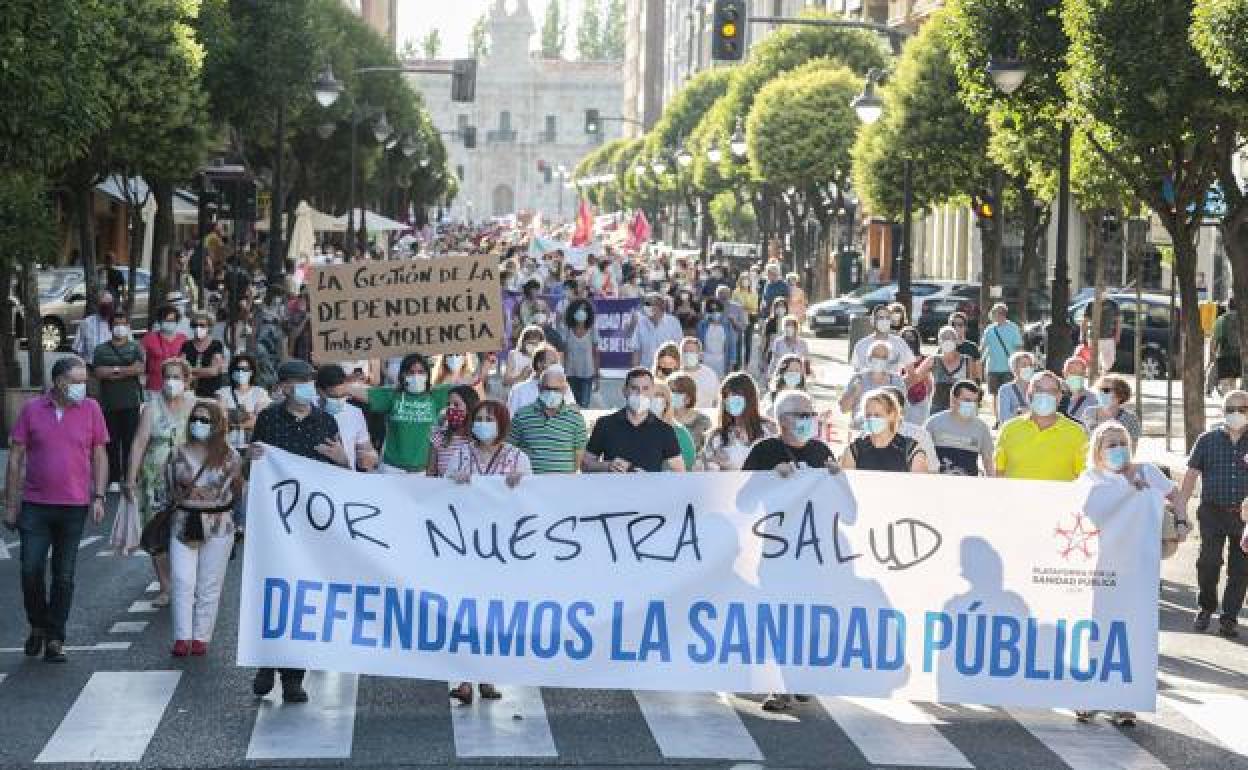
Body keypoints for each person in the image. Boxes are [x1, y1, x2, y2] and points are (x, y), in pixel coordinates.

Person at [248, 359, 349, 702]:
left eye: (310, 380)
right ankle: (265, 663)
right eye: (300, 381)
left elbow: (342, 478)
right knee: (273, 593)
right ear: (285, 387)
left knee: (303, 597)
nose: (307, 386)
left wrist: (342, 460)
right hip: (276, 523)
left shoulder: (326, 420)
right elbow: (257, 468)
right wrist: (253, 457)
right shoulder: (268, 419)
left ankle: (293, 676)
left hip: (313, 526)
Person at [1071, 420, 1180, 727]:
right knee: (1097, 633)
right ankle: (1089, 699)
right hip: (1100, 571)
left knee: (1133, 633)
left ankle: (1125, 701)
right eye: (1111, 444)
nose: (1119, 449)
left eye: (1123, 443)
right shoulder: (1089, 479)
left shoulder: (1147, 472)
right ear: (1098, 450)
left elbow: (1176, 496)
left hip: (1138, 572)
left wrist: (1180, 518)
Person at [3, 356, 109, 663]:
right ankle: (38, 623)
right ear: (58, 382)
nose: (81, 387)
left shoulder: (92, 409)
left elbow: (99, 453)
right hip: (35, 505)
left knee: (64, 575)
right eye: (76, 381)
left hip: (74, 505)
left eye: (84, 381)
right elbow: (16, 457)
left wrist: (99, 496)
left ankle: (55, 637)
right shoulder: (32, 410)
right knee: (29, 569)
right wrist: (11, 504)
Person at [743, 389, 840, 711]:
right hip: (775, 552)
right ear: (782, 420)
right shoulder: (764, 451)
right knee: (778, 620)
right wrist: (769, 479)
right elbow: (740, 500)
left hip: (812, 554)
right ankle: (779, 687)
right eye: (801, 414)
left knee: (807, 621)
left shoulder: (821, 451)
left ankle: (799, 678)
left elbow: (845, 506)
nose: (807, 420)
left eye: (810, 414)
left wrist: (838, 479)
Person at [446, 399, 530, 705]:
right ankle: (465, 679)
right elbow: (440, 495)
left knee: (493, 614)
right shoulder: (461, 454)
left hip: (503, 549)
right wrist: (453, 483)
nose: (483, 423)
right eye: (479, 418)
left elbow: (534, 502)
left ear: (502, 423)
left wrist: (522, 485)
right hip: (465, 545)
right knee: (465, 612)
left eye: (490, 418)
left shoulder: (517, 458)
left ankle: (488, 676)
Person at [167, 400, 243, 657]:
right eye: (195, 419)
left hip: (220, 524)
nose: (198, 424)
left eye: (205, 420)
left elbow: (237, 492)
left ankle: (200, 637)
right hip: (184, 521)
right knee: (181, 579)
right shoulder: (177, 452)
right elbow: (168, 488)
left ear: (217, 425)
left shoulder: (231, 456)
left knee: (210, 583)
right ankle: (181, 636)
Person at [1176, 390, 1248, 637]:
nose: (1237, 414)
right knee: (1208, 563)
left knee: (1240, 569)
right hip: (1212, 512)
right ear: (1223, 412)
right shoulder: (1207, 440)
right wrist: (1180, 509)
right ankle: (1206, 608)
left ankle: (1229, 617)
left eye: (1243, 409)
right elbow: (1191, 476)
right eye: (1231, 409)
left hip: (1245, 517)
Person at [126, 358, 197, 605]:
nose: (171, 382)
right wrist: (130, 479)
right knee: (157, 531)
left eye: (177, 377)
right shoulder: (151, 408)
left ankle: (187, 584)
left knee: (188, 530)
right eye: (167, 376)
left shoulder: (196, 406)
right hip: (154, 478)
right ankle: (166, 587)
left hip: (189, 479)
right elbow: (139, 443)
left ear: (187, 381)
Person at [358, 353, 480, 474]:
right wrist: (343, 388)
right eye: (411, 372)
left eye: (421, 372)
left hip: (421, 471)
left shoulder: (435, 395)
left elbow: (470, 382)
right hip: (392, 468)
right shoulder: (392, 395)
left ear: (427, 375)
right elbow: (366, 394)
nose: (416, 376)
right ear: (403, 375)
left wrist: (487, 363)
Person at [583, 367, 685, 473]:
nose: (640, 394)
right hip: (613, 488)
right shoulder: (605, 424)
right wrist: (607, 466)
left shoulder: (665, 430)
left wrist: (653, 478)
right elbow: (585, 465)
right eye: (634, 388)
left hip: (650, 489)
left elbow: (679, 471)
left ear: (652, 391)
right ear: (625, 391)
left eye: (645, 388)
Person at [994, 370, 1088, 481]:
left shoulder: (1076, 432)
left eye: (1051, 391)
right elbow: (998, 472)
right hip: (1016, 497)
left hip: (1059, 498)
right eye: (1039, 389)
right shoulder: (1009, 428)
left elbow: (1083, 477)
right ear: (1029, 394)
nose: (1045, 395)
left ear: (1059, 397)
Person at [92, 310, 144, 491]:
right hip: (109, 404)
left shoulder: (135, 347)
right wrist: (124, 370)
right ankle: (113, 478)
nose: (120, 328)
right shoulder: (100, 349)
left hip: (131, 403)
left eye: (123, 324)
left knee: (130, 441)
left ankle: (130, 476)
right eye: (116, 325)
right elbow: (98, 372)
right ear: (110, 327)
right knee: (111, 442)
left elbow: (138, 369)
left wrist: (113, 371)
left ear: (128, 326)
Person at [508, 365, 589, 474]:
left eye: (556, 389)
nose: (551, 393)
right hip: (529, 485)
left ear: (564, 390)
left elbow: (579, 455)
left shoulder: (575, 418)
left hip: (561, 486)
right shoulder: (522, 415)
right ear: (539, 388)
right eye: (547, 388)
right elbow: (510, 449)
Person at [701, 373, 777, 471]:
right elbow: (708, 472)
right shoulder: (717, 437)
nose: (730, 400)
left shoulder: (770, 430)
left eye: (736, 396)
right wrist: (716, 464)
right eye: (726, 397)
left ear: (750, 398)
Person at [839, 389, 928, 473]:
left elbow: (919, 486)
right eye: (868, 415)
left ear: (892, 415)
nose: (871, 419)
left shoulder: (910, 450)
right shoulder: (854, 450)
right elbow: (845, 486)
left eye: (877, 415)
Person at [925, 380, 996, 476]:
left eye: (975, 401)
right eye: (967, 400)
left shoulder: (982, 428)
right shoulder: (933, 424)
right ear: (953, 399)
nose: (972, 404)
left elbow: (988, 461)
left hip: (969, 487)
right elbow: (922, 458)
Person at [317, 364, 378, 472]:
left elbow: (365, 447)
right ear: (320, 391)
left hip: (346, 477)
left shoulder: (355, 413)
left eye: (343, 396)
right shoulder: (307, 411)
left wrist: (370, 457)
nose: (339, 401)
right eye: (334, 397)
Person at [840, 341, 906, 427]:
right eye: (876, 356)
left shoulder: (896, 381)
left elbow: (902, 412)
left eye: (884, 357)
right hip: (861, 431)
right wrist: (854, 393)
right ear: (869, 358)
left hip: (887, 432)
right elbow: (844, 409)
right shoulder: (858, 378)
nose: (879, 360)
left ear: (889, 360)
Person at [427, 385, 480, 477]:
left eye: (456, 404)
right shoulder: (439, 435)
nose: (451, 408)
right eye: (448, 404)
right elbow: (431, 472)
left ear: (469, 407)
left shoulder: (480, 438)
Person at [507, 344, 575, 415]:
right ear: (539, 364)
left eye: (557, 363)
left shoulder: (564, 388)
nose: (557, 366)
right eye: (553, 363)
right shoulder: (519, 391)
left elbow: (573, 412)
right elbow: (510, 419)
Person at [851, 304, 916, 373]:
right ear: (873, 321)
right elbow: (856, 372)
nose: (884, 321)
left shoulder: (900, 343)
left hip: (893, 383)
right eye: (880, 318)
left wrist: (899, 381)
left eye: (887, 318)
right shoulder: (861, 345)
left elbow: (911, 371)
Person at [1080, 374, 1142, 444]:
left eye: (1106, 390)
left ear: (1120, 394)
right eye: (1099, 390)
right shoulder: (1089, 413)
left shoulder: (1130, 419)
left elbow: (1131, 450)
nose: (1101, 393)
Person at [142, 304, 189, 397]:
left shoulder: (183, 339)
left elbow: (186, 365)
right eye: (166, 320)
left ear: (177, 322)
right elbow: (142, 364)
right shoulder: (148, 339)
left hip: (177, 386)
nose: (169, 323)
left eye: (172, 320)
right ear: (159, 321)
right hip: (154, 387)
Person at [562, 297, 601, 408]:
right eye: (579, 309)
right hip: (569, 374)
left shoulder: (592, 329)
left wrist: (597, 376)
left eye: (584, 310)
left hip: (587, 374)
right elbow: (563, 353)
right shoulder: (567, 329)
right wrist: (561, 373)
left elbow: (596, 353)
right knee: (570, 406)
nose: (581, 312)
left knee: (584, 406)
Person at [630, 292, 684, 370]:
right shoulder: (641, 323)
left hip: (668, 370)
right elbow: (636, 351)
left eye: (649, 304)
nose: (646, 307)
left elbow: (679, 348)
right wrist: (635, 371)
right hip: (646, 371)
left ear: (660, 306)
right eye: (645, 305)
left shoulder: (673, 322)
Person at [980, 303, 1023, 397]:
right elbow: (983, 348)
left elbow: (1019, 348)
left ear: (1002, 314)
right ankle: (996, 412)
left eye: (994, 313)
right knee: (995, 395)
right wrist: (980, 363)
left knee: (1008, 394)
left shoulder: (1013, 328)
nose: (992, 315)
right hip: (992, 368)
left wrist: (1019, 366)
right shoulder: (989, 329)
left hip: (1009, 368)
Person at [929, 325, 974, 414]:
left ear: (957, 340)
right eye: (944, 337)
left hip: (962, 409)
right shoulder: (933, 360)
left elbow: (971, 386)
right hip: (938, 409)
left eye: (951, 337)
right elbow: (915, 377)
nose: (948, 340)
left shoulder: (967, 360)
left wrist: (972, 410)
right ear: (939, 341)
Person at [182, 312, 227, 398]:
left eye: (202, 325)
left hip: (212, 392)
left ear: (209, 327)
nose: (198, 328)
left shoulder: (216, 345)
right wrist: (203, 371)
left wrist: (190, 370)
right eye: (195, 325)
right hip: (190, 393)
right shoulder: (186, 345)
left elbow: (213, 371)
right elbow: (181, 368)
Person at [667, 373, 712, 453]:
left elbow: (708, 451)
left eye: (675, 391)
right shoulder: (662, 419)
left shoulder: (703, 421)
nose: (671, 395)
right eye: (668, 391)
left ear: (689, 396)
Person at [72, 290, 115, 366]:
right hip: (92, 369)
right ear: (98, 305)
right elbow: (77, 350)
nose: (107, 307)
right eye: (104, 304)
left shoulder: (119, 323)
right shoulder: (87, 323)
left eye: (110, 304)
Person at [697, 297, 737, 378]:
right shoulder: (702, 325)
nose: (714, 313)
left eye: (717, 310)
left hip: (722, 361)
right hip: (705, 360)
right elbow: (698, 343)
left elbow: (732, 345)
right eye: (711, 311)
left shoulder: (727, 325)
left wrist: (731, 363)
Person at [678, 336, 721, 408]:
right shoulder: (675, 375)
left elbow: (718, 400)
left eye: (691, 352)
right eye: (685, 352)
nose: (688, 355)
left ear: (700, 355)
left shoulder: (710, 374)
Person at [995, 351, 1036, 426]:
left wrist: (1017, 412)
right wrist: (1021, 413)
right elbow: (1004, 418)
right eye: (1024, 365)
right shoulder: (1005, 390)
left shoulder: (1038, 388)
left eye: (1031, 365)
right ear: (1014, 369)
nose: (1029, 368)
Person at [767, 314, 810, 381]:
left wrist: (808, 376)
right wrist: (769, 375)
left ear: (796, 328)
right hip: (781, 375)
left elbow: (806, 362)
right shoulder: (778, 342)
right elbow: (773, 360)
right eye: (787, 325)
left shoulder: (803, 343)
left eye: (792, 325)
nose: (789, 327)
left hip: (798, 376)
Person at [1211, 297, 1240, 393]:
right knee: (1233, 382)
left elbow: (1215, 340)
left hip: (1224, 356)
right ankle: (1233, 404)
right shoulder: (1242, 320)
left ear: (1228, 306)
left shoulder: (1221, 320)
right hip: (1238, 356)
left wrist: (1213, 354)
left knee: (1225, 383)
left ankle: (1228, 405)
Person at [505, 325, 547, 389]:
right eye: (530, 343)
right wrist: (521, 376)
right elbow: (505, 381)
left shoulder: (545, 357)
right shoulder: (514, 355)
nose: (533, 346)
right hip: (518, 392)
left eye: (536, 344)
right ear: (523, 342)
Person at [1088, 296, 1121, 374]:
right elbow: (1085, 320)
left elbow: (1118, 321)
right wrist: (1082, 335)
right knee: (1094, 360)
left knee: (1110, 360)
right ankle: (1096, 375)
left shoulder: (1113, 304)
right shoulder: (1091, 303)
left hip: (1109, 337)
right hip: (1094, 337)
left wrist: (1117, 334)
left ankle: (1103, 372)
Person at [1059, 356, 1097, 423]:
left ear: (1085, 375)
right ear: (1064, 373)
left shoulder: (1093, 399)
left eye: (1080, 374)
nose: (1076, 376)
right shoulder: (1055, 394)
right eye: (1073, 373)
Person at [948, 310, 982, 379]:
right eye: (953, 325)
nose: (956, 328)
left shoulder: (972, 347)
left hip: (967, 385)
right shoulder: (945, 347)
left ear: (965, 327)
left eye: (960, 325)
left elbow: (978, 374)